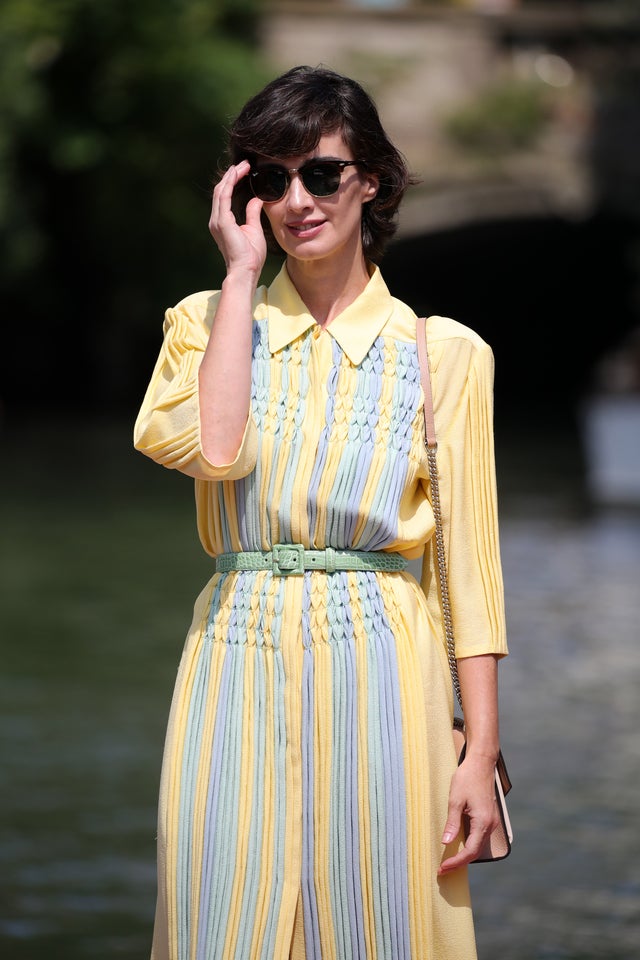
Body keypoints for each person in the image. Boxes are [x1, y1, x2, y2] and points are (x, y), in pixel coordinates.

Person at [134, 64, 508, 960]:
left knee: (380, 922)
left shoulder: (444, 353)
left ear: (370, 179)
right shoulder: (200, 323)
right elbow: (216, 452)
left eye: (322, 174)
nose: (297, 199)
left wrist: (480, 753)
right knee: (215, 921)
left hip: (386, 658)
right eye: (271, 178)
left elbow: (470, 566)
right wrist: (239, 279)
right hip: (235, 650)